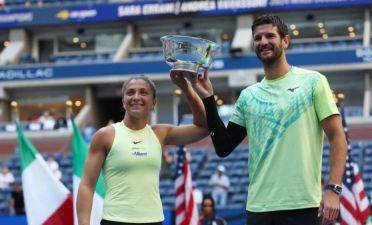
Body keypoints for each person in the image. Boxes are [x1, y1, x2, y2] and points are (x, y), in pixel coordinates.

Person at [189, 14, 348, 225]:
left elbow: (337, 137)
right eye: (257, 38)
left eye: (269, 36)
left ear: (286, 41)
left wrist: (333, 189)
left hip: (301, 205)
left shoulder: (313, 82)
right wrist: (208, 98)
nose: (263, 42)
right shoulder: (248, 96)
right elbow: (223, 146)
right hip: (258, 207)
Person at [77, 73, 208, 225]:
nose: (136, 97)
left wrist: (186, 87)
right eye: (130, 92)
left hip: (154, 221)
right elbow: (87, 185)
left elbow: (203, 127)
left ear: (153, 102)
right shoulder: (105, 135)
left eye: (143, 92)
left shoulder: (160, 134)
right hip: (115, 221)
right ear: (123, 101)